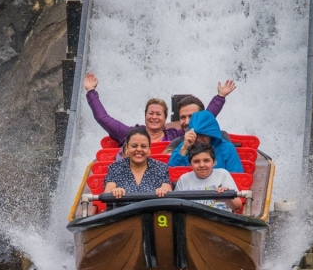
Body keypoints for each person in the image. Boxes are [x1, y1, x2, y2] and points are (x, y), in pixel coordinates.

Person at [83, 74, 236, 145]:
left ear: (165, 118)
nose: (154, 117)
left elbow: (203, 120)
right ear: (145, 116)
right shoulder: (129, 134)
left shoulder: (176, 136)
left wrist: (220, 97)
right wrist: (91, 91)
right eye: (151, 113)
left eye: (159, 114)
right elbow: (103, 118)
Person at [168, 109, 243, 174]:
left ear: (211, 134)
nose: (198, 139)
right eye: (195, 135)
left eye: (202, 135)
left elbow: (236, 176)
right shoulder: (185, 145)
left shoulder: (226, 148)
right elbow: (171, 173)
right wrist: (184, 149)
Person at [173, 143, 243, 212]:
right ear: (190, 164)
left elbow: (237, 206)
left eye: (206, 161)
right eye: (196, 161)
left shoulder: (222, 174)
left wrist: (227, 196)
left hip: (219, 217)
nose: (202, 165)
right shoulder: (184, 179)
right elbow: (175, 205)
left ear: (214, 162)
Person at [104, 127, 172, 198]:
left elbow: (168, 190)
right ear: (127, 148)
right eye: (134, 146)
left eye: (143, 146)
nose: (139, 149)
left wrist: (163, 191)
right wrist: (114, 191)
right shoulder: (115, 167)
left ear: (149, 149)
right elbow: (108, 191)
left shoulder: (161, 168)